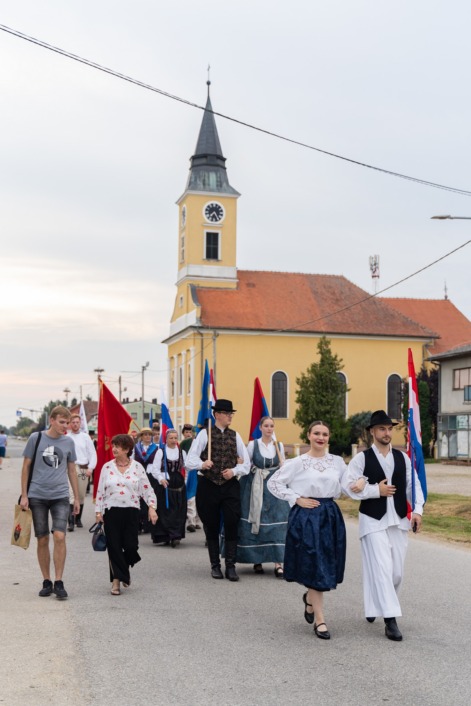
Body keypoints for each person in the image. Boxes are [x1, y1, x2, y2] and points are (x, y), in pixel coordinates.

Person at [268, 420, 363, 639]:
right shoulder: (297, 462)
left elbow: (348, 486)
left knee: (326, 563)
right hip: (306, 517)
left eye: (325, 434)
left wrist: (359, 484)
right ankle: (320, 620)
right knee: (313, 562)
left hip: (329, 515)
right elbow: (274, 483)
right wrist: (296, 498)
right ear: (309, 435)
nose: (321, 437)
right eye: (317, 433)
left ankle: (310, 600)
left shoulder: (337, 462)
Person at [342, 410, 424, 641]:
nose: (387, 433)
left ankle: (375, 606)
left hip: (398, 520)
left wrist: (417, 511)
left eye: (389, 429)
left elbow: (413, 485)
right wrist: (373, 490)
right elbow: (348, 487)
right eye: (382, 429)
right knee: (381, 568)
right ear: (372, 432)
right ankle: (390, 620)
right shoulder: (361, 459)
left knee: (396, 572)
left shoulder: (402, 458)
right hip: (373, 520)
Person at [186, 399, 250, 581]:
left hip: (230, 485)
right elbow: (190, 461)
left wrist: (235, 471)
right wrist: (202, 463)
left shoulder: (235, 436)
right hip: (208, 484)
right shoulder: (204, 434)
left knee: (232, 522)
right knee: (211, 524)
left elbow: (247, 463)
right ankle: (215, 565)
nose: (230, 416)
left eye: (231, 413)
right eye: (227, 413)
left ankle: (230, 565)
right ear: (217, 415)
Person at [19, 406, 80, 600]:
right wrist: (24, 495)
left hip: (60, 496)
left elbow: (71, 470)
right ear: (52, 420)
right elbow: (25, 467)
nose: (65, 426)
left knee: (60, 536)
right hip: (37, 495)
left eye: (67, 423)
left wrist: (76, 498)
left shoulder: (69, 442)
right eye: (62, 422)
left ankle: (59, 581)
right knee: (43, 538)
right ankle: (46, 581)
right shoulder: (35, 439)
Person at [95, 434, 157, 595]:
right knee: (114, 547)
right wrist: (98, 512)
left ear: (127, 449)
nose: (114, 449)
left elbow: (147, 489)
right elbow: (100, 490)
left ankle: (123, 571)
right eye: (113, 445)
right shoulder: (107, 467)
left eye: (118, 446)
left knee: (131, 546)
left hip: (131, 511)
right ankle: (117, 581)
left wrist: (152, 507)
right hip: (111, 511)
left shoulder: (137, 467)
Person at [235, 416, 288, 577]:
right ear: (260, 427)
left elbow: (283, 465)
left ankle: (279, 563)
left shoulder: (278, 445)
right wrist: (241, 463)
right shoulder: (253, 444)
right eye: (266, 425)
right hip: (256, 487)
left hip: (274, 489)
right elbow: (246, 464)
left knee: (277, 522)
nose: (269, 428)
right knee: (256, 520)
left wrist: (283, 468)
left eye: (272, 426)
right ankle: (257, 559)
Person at [148, 429, 187, 547]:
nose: (174, 440)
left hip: (178, 483)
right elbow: (155, 469)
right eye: (171, 438)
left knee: (178, 510)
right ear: (166, 439)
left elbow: (187, 467)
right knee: (165, 510)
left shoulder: (182, 452)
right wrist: (160, 479)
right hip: (165, 483)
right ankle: (165, 535)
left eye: (176, 438)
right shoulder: (161, 451)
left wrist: (185, 480)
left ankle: (176, 535)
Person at [66, 414, 97, 531]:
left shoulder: (85, 437)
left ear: (80, 424)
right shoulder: (67, 437)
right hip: (71, 467)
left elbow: (92, 453)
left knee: (81, 494)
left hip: (83, 468)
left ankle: (78, 518)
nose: (75, 424)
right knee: (71, 494)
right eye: (72, 422)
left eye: (77, 422)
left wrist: (91, 468)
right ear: (70, 423)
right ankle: (71, 521)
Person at [133, 427, 159, 534]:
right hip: (139, 475)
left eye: (149, 434)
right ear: (141, 437)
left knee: (149, 497)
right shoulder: (136, 448)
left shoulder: (156, 448)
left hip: (150, 475)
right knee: (139, 498)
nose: (148, 436)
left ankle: (148, 525)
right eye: (145, 434)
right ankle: (138, 524)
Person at [180, 424, 201, 532]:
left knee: (199, 497)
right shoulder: (184, 444)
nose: (189, 434)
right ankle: (191, 521)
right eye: (187, 432)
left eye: (191, 432)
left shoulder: (201, 443)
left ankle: (197, 521)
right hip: (189, 472)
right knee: (191, 497)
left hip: (200, 471)